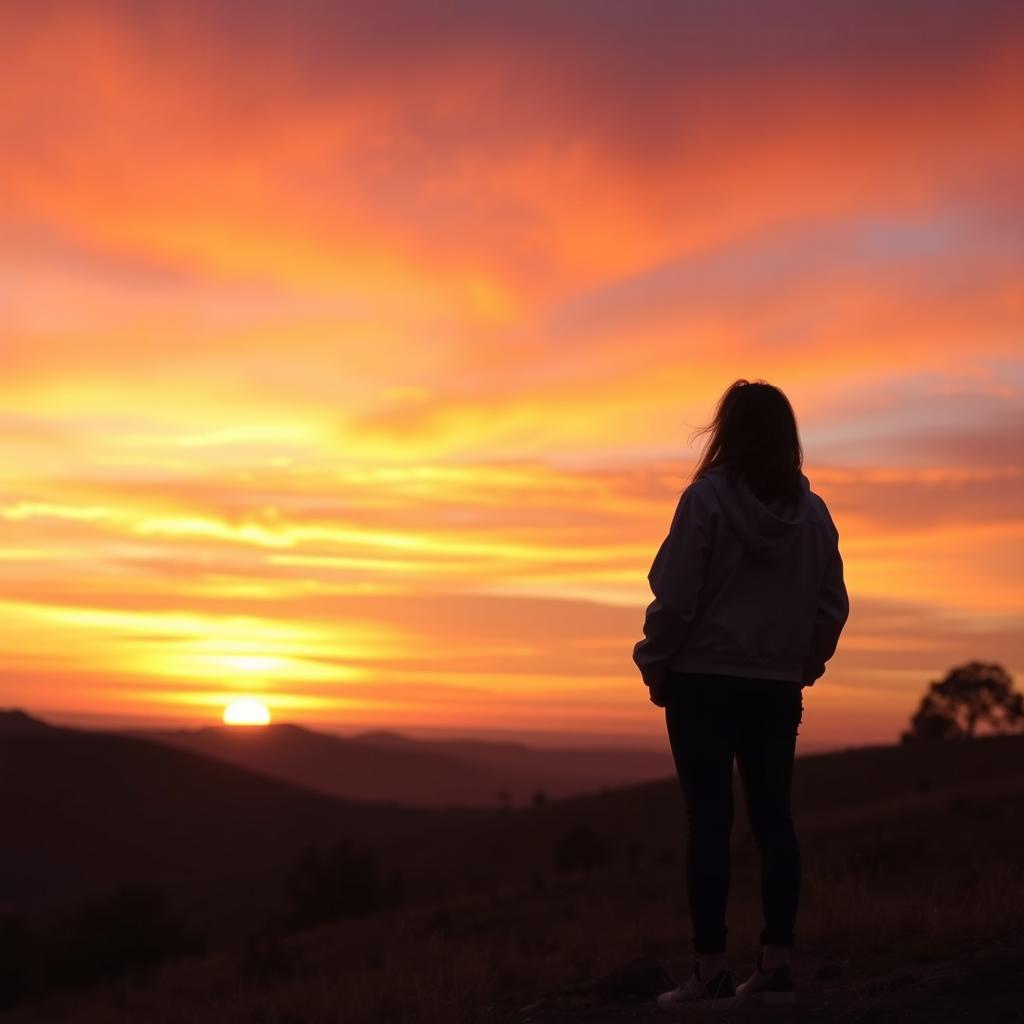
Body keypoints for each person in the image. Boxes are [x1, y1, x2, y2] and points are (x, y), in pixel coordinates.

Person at [632, 379, 849, 1011]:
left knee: (710, 824)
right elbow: (832, 606)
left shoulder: (705, 503)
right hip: (775, 689)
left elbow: (675, 597)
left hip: (701, 683)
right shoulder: (814, 515)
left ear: (726, 431)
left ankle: (710, 970)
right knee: (774, 820)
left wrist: (654, 663)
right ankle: (777, 964)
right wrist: (801, 665)